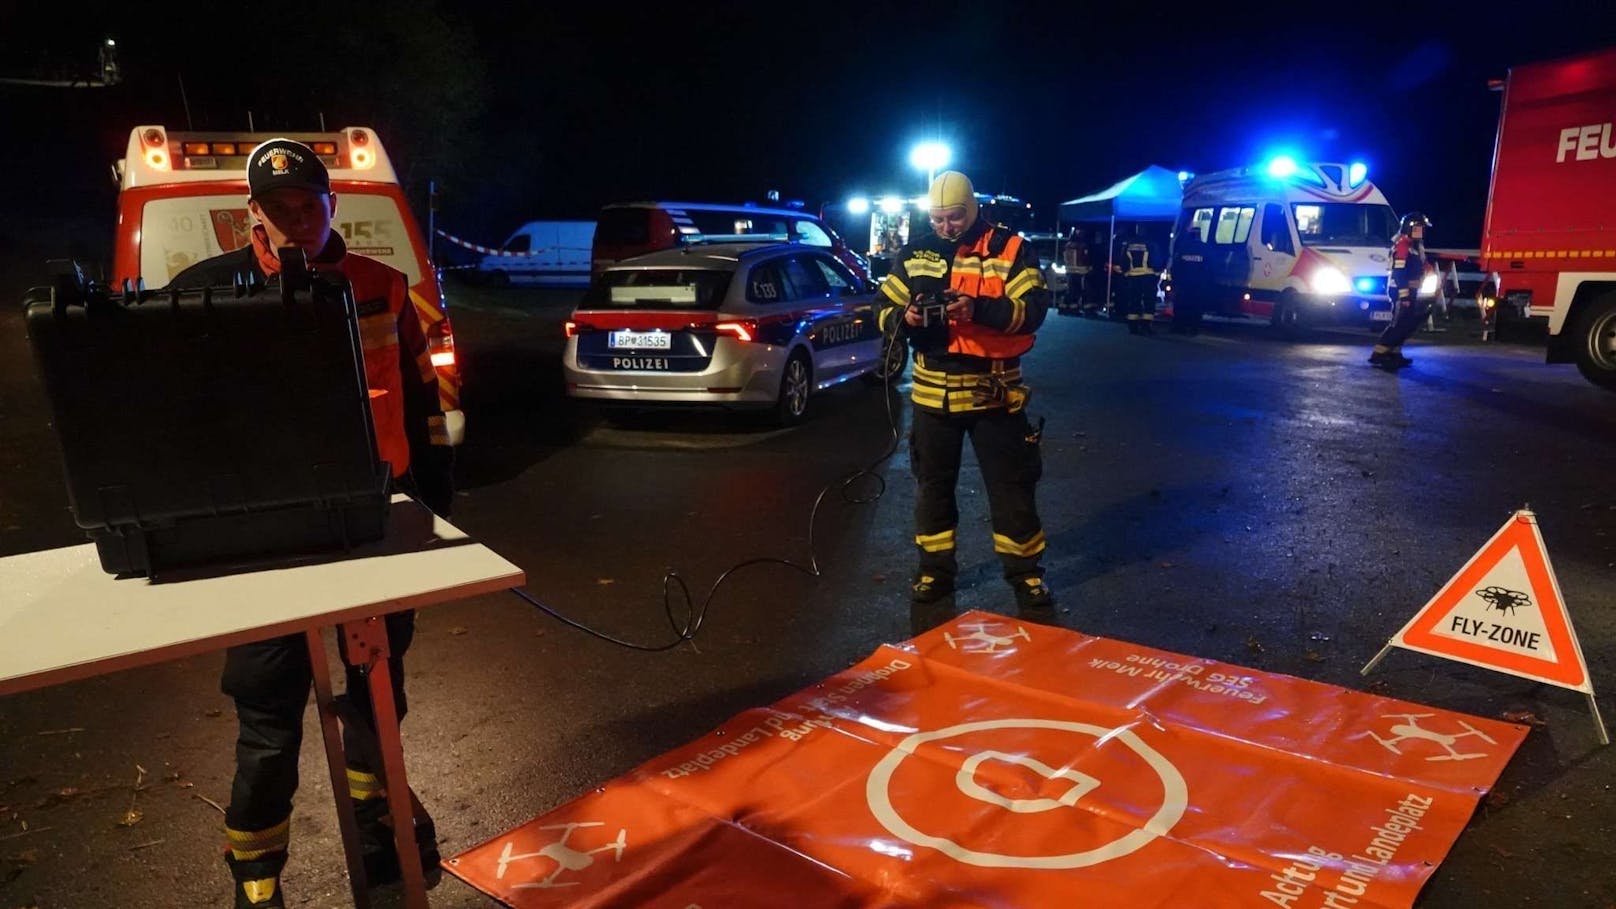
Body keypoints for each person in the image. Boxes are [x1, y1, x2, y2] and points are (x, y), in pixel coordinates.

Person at [170, 139, 454, 908]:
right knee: (267, 713)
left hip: (371, 525)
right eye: (281, 210)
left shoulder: (383, 286)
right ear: (251, 214)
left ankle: (382, 837)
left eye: (311, 207)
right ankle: (257, 884)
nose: (298, 223)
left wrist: (438, 508)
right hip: (264, 541)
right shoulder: (206, 292)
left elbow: (426, 409)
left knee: (376, 697)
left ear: (333, 205)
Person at [875, 171, 1055, 612]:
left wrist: (979, 309)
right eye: (937, 219)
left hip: (993, 393)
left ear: (972, 209)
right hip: (933, 398)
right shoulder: (916, 251)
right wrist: (906, 318)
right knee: (932, 489)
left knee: (1012, 487)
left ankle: (1026, 574)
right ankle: (934, 573)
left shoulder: (1010, 249)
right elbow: (881, 307)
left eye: (954, 218)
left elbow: (1032, 311)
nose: (945, 228)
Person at [1369, 212, 1433, 369]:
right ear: (1410, 229)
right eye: (1419, 228)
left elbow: (1420, 264)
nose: (1422, 232)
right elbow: (1399, 274)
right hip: (1400, 292)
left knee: (1407, 324)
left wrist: (1428, 269)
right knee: (1399, 324)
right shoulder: (1403, 246)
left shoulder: (1415, 247)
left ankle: (1394, 352)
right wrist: (1404, 297)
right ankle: (1379, 354)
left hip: (1410, 291)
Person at [1113, 223, 1161, 334]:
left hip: (1132, 277)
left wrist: (1125, 272)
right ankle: (1146, 326)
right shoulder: (1151, 243)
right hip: (1148, 277)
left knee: (1133, 301)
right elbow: (1156, 260)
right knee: (1149, 301)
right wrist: (1157, 272)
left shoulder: (1128, 244)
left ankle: (1133, 327)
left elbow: (1123, 260)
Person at [1059, 227, 1091, 314]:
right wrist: (1088, 266)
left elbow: (1064, 257)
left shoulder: (1067, 245)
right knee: (1077, 290)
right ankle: (1073, 308)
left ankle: (1065, 307)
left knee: (1070, 290)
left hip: (1069, 270)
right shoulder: (1082, 245)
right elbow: (1084, 258)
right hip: (1080, 270)